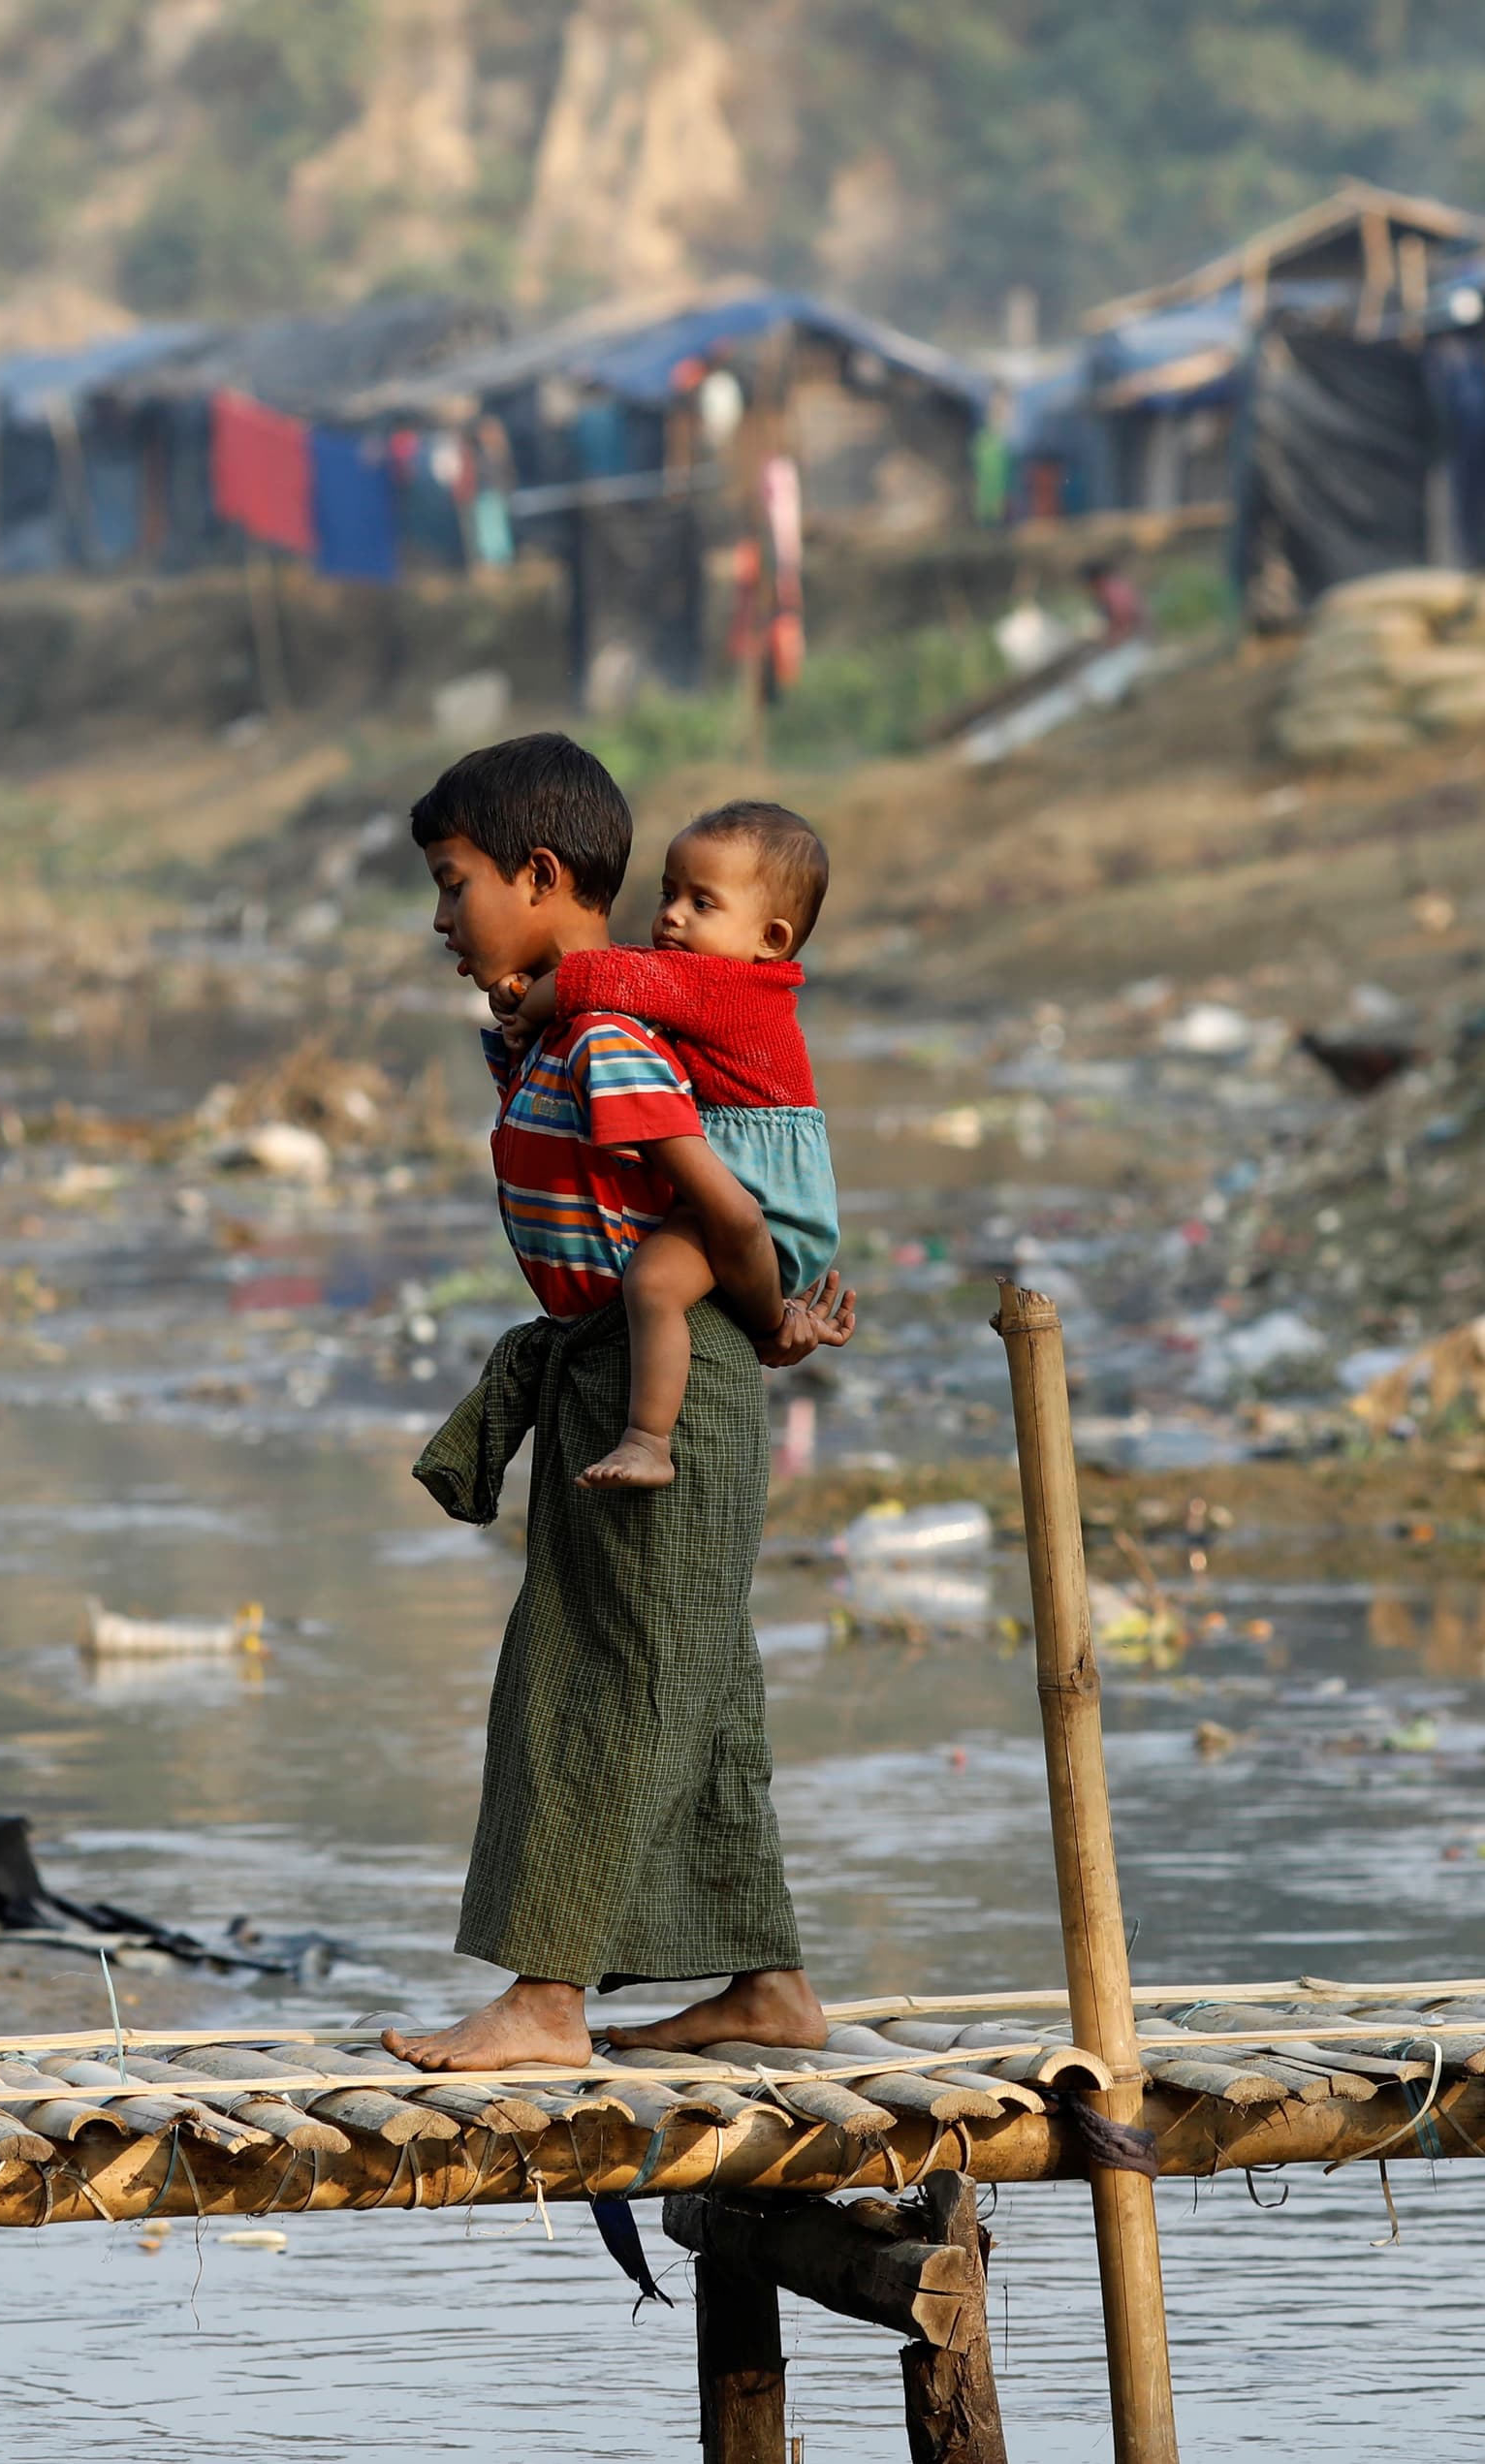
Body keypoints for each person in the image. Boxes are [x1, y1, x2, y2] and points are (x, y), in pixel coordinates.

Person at [390, 735, 853, 2073]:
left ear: (541, 873)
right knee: (697, 1677)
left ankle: (547, 1998)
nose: (438, 916)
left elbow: (720, 1205)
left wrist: (769, 1321)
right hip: (615, 1359)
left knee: (595, 1670)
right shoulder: (558, 1028)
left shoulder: (613, 1033)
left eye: (453, 880)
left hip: (661, 1374)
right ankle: (770, 1984)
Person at [496, 800, 842, 1490]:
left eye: (702, 903)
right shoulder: (715, 981)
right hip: (756, 1180)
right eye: (668, 893)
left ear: (770, 939)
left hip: (765, 1198)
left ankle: (648, 1440)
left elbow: (600, 976)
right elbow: (623, 971)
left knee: (652, 1282)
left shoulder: (725, 987)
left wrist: (531, 1002)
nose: (672, 915)